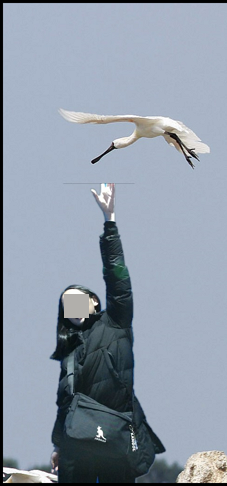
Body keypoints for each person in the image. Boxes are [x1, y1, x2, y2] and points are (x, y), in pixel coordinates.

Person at [49, 183, 164, 482]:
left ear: (95, 301)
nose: (71, 305)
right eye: (66, 303)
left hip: (116, 434)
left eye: (77, 298)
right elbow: (64, 402)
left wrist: (109, 222)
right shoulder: (70, 351)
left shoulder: (116, 322)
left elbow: (117, 276)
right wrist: (58, 445)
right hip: (77, 443)